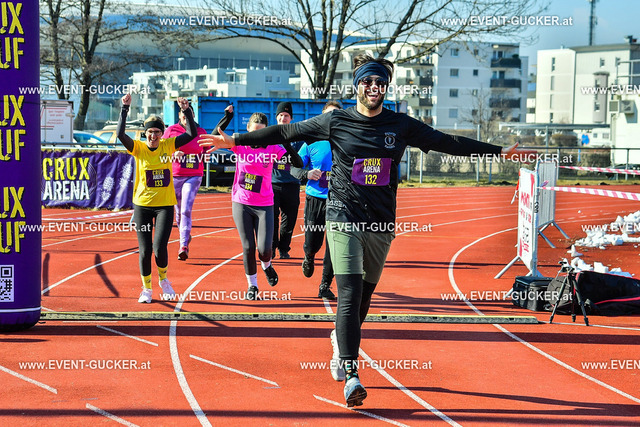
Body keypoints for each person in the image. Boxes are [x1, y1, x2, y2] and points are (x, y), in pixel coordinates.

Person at [199, 54, 533, 407]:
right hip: (342, 216)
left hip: (380, 222)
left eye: (380, 83)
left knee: (364, 299)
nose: (374, 87)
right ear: (357, 86)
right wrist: (235, 141)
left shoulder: (400, 124)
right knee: (349, 293)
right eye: (367, 82)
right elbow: (285, 132)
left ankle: (339, 341)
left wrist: (499, 151)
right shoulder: (336, 120)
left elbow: (446, 142)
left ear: (385, 88)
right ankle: (351, 373)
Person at [118, 94, 197, 303]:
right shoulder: (138, 148)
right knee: (145, 250)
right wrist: (124, 109)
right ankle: (146, 289)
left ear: (162, 134)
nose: (153, 136)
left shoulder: (168, 146)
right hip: (142, 206)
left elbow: (191, 134)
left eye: (157, 132)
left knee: (159, 248)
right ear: (145, 133)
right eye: (150, 132)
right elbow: (120, 134)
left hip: (164, 206)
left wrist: (186, 110)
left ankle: (164, 280)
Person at [230, 113, 303, 300]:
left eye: (261, 133)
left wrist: (286, 143)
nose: (257, 137)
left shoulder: (272, 148)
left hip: (264, 204)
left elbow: (297, 163)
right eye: (254, 133)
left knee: (264, 250)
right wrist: (227, 118)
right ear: (248, 130)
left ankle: (267, 265)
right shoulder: (240, 145)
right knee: (248, 247)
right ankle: (252, 286)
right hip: (241, 202)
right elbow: (215, 137)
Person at [163, 103, 234, 261]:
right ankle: (185, 235)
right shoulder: (171, 131)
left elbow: (207, 147)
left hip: (194, 175)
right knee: (178, 212)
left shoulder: (200, 132)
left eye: (188, 114)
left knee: (186, 210)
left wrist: (206, 155)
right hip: (175, 175)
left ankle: (183, 246)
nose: (185, 117)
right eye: (182, 114)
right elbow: (161, 150)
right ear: (179, 116)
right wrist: (173, 154)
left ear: (192, 115)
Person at [291, 100, 342, 300]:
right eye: (328, 115)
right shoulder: (311, 142)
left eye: (336, 115)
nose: (332, 119)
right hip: (316, 199)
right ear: (322, 117)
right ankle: (309, 255)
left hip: (340, 200)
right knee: (313, 242)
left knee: (335, 245)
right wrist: (306, 174)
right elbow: (294, 167)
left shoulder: (348, 141)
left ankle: (325, 285)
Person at [271, 102, 305, 259]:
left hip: (292, 184)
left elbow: (301, 160)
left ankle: (284, 248)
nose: (283, 118)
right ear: (276, 117)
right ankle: (271, 247)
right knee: (271, 218)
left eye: (286, 115)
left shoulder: (297, 138)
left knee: (289, 219)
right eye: (280, 115)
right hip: (272, 184)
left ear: (291, 118)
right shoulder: (270, 136)